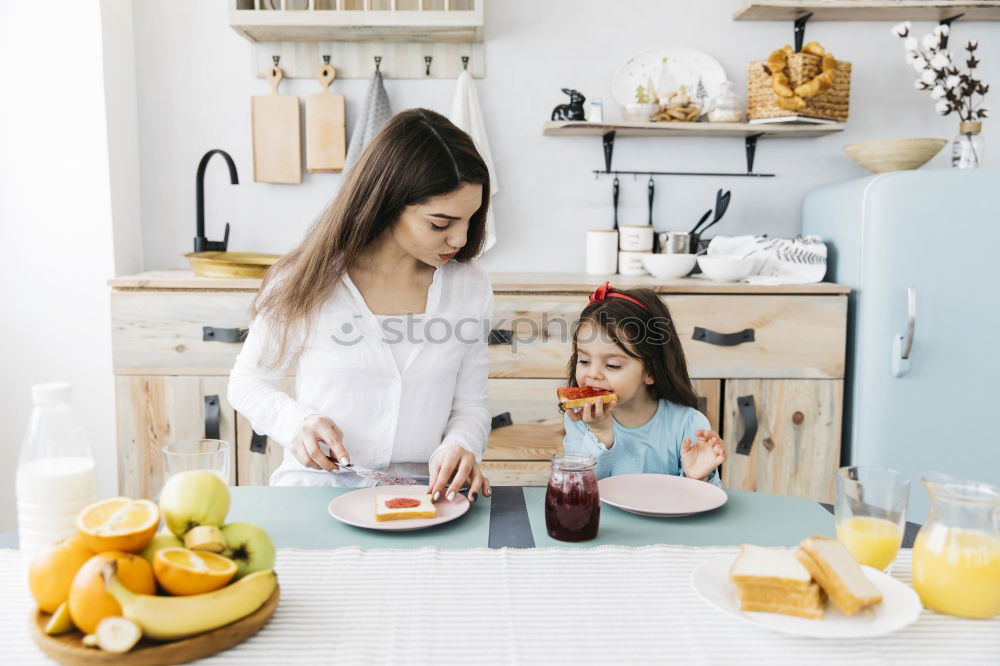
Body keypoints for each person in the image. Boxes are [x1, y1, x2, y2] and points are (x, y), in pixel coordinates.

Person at [228, 108, 493, 503]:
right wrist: (297, 422)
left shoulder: (469, 287)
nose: (460, 239)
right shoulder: (307, 280)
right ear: (388, 202)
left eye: (470, 219)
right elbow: (247, 384)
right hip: (317, 495)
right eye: (440, 223)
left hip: (425, 500)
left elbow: (471, 405)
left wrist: (461, 443)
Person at [562, 282, 726, 485]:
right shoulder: (580, 419)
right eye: (584, 361)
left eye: (612, 365)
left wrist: (698, 477)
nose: (593, 374)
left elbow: (703, 501)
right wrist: (599, 433)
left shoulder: (688, 424)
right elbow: (578, 486)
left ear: (650, 370)